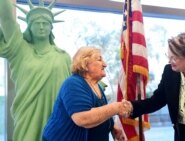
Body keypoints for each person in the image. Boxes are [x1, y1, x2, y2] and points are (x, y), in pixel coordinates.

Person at [0, 0, 71, 141]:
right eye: (36, 23)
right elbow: (7, 16)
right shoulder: (20, 49)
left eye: (45, 23)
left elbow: (75, 86)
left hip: (57, 116)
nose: (41, 27)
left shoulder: (63, 56)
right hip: (28, 113)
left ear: (51, 27)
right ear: (29, 27)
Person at [43, 46, 129, 141]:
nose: (105, 64)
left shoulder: (97, 86)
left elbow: (100, 111)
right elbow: (83, 119)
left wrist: (112, 127)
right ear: (85, 63)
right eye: (99, 60)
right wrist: (117, 107)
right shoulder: (73, 83)